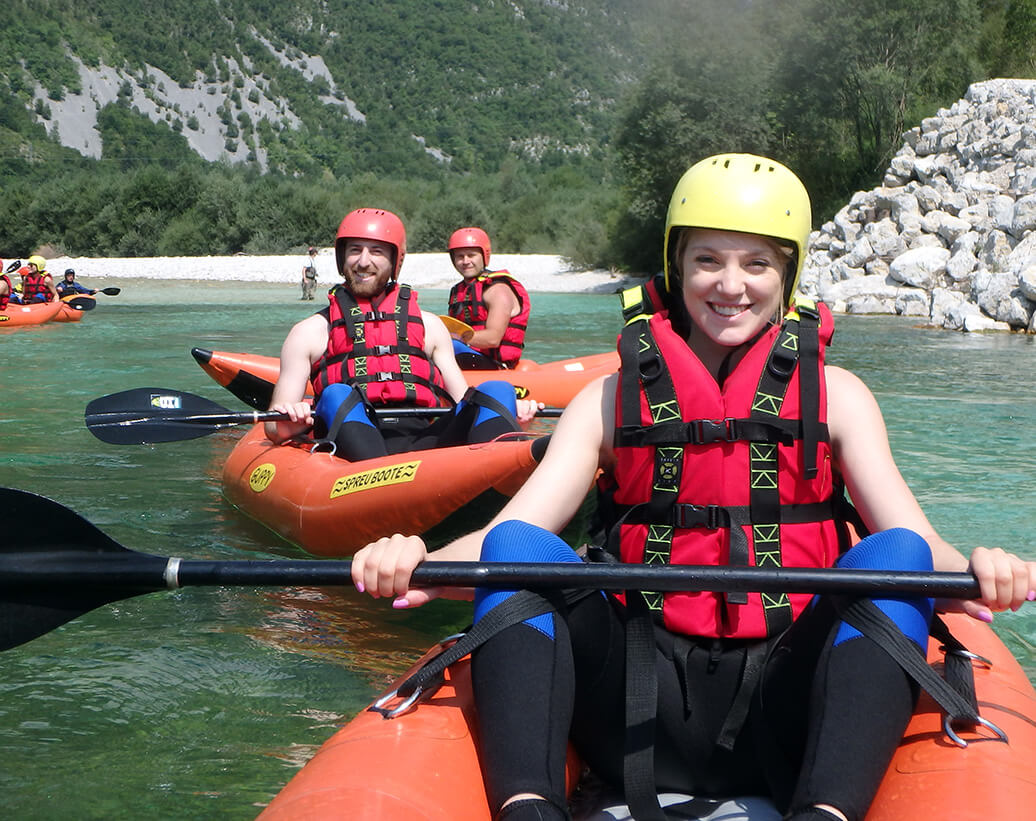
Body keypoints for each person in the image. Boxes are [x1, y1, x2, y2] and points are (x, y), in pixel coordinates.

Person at [350, 155, 1036, 821]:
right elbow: (521, 532)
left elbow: (916, 545)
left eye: (756, 262)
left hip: (786, 704)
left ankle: (825, 811)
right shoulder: (607, 399)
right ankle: (530, 807)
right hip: (632, 702)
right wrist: (423, 564)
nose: (730, 284)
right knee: (519, 543)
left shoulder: (840, 397)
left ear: (788, 276)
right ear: (676, 267)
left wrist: (981, 570)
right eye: (708, 259)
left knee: (897, 555)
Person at [266, 208, 539, 461]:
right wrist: (291, 420)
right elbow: (272, 427)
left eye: (376, 251)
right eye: (354, 250)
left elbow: (461, 401)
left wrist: (509, 416)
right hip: (351, 450)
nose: (363, 261)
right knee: (336, 393)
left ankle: (501, 467)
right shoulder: (308, 332)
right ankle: (375, 483)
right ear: (341, 257)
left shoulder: (430, 326)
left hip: (423, 440)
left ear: (396, 260)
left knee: (497, 390)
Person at [446, 227, 530, 369]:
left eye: (471, 255)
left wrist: (453, 338)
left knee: (447, 344)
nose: (465, 261)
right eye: (460, 256)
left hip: (495, 365)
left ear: (484, 256)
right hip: (467, 357)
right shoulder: (458, 291)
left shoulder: (498, 291)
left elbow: (493, 339)